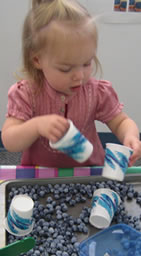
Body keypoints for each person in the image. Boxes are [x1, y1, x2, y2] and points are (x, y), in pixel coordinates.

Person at [2, 0, 141, 167]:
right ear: (37, 59)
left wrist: (130, 136)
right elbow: (10, 141)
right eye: (66, 69)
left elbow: (120, 122)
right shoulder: (26, 94)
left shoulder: (96, 92)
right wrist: (36, 126)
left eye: (86, 63)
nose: (79, 76)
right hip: (41, 176)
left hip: (88, 174)